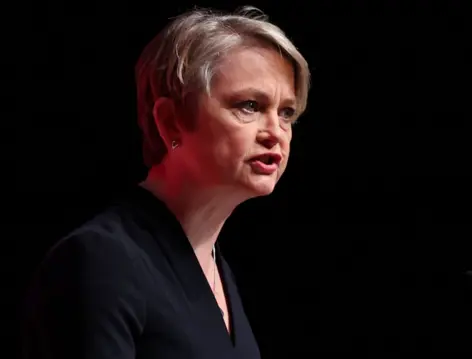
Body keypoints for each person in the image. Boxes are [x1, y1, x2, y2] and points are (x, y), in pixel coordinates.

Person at [21, 6, 310, 359]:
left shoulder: (216, 268)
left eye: (286, 113)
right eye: (249, 105)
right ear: (170, 122)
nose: (276, 133)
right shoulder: (101, 261)